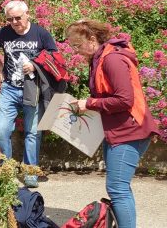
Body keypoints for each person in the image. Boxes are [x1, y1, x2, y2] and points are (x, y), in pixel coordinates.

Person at [65, 19, 159, 228]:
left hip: (130, 131)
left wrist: (88, 103)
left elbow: (125, 100)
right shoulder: (99, 58)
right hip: (117, 130)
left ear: (92, 39)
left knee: (118, 189)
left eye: (77, 45)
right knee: (119, 188)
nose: (76, 51)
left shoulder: (112, 59)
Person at [0, 0, 57, 188]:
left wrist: (34, 64)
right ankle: (7, 171)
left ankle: (30, 172)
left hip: (32, 89)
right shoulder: (4, 33)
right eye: (10, 19)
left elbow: (54, 57)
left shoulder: (41, 34)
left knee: (32, 132)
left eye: (18, 18)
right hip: (9, 89)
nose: (15, 22)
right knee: (1, 131)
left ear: (28, 14)